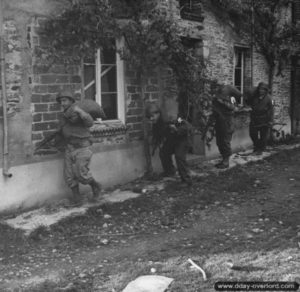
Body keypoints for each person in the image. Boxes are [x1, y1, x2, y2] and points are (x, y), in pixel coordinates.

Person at [56, 90, 102, 205]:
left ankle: (96, 186)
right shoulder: (63, 115)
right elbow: (63, 130)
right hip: (69, 147)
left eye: (65, 100)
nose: (62, 103)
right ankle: (77, 199)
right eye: (61, 101)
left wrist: (79, 111)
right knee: (69, 176)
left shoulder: (78, 112)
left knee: (81, 174)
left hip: (82, 147)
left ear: (71, 101)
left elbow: (90, 123)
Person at [147, 103, 193, 186]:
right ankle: (170, 172)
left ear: (158, 113)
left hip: (182, 140)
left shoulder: (173, 118)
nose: (151, 119)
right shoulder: (156, 123)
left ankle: (186, 180)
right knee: (163, 152)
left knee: (179, 156)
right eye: (149, 117)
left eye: (152, 116)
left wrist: (177, 129)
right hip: (172, 140)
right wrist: (156, 143)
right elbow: (157, 135)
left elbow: (188, 126)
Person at [212, 84, 242, 169]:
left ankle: (226, 161)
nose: (221, 91)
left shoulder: (231, 98)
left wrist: (223, 101)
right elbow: (215, 110)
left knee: (225, 142)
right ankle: (223, 159)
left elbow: (235, 108)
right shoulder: (217, 98)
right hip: (219, 122)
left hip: (228, 123)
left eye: (222, 90)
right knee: (219, 142)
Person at [245, 82, 274, 155]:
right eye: (259, 89)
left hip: (264, 119)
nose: (260, 91)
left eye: (262, 89)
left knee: (263, 136)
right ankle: (257, 147)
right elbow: (248, 103)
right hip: (254, 118)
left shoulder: (269, 98)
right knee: (252, 134)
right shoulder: (255, 96)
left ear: (266, 90)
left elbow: (271, 110)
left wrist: (270, 121)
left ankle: (260, 150)